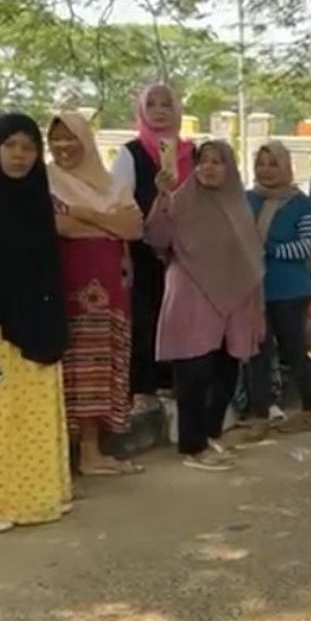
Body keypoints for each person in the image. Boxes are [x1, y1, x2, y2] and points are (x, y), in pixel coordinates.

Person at [145, 141, 265, 472]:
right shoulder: (181, 199)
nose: (209, 168)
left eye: (217, 162)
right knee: (194, 372)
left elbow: (250, 257)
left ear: (230, 167)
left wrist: (254, 308)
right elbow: (156, 238)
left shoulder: (239, 204)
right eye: (203, 162)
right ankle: (192, 446)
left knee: (226, 371)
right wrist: (163, 196)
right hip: (191, 294)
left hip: (235, 300)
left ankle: (209, 433)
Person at [0, 114, 73, 533]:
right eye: (11, 146)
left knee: (32, 411)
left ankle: (37, 496)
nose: (20, 156)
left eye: (28, 148)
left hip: (37, 321)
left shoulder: (38, 197)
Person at [47, 111, 144, 476]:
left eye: (70, 137)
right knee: (75, 364)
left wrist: (86, 213)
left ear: (86, 140)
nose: (63, 146)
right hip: (68, 285)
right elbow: (60, 226)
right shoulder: (46, 180)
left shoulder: (111, 183)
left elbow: (133, 227)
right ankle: (76, 452)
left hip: (113, 287)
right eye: (55, 139)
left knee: (105, 363)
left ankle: (93, 450)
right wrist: (107, 225)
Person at [110, 83, 195, 411]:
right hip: (143, 252)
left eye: (166, 104)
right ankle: (143, 389)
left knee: (182, 318)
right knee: (146, 317)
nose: (160, 110)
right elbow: (119, 204)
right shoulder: (131, 153)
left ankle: (174, 382)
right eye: (152, 104)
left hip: (187, 254)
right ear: (142, 111)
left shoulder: (194, 153)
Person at [244, 141, 311, 439]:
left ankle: (307, 411)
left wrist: (270, 249)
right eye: (260, 164)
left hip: (290, 291)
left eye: (273, 164)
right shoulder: (246, 199)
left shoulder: (302, 203)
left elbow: (310, 245)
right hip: (254, 289)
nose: (265, 170)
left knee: (294, 351)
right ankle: (260, 415)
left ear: (286, 167)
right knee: (258, 354)